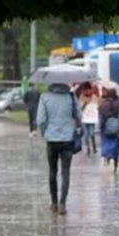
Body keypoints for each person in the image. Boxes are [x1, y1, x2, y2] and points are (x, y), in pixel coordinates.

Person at [37, 83, 82, 215]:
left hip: (51, 139)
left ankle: (54, 203)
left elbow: (40, 120)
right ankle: (63, 203)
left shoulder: (44, 97)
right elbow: (79, 115)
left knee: (52, 170)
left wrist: (45, 133)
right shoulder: (71, 97)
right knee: (66, 171)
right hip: (68, 139)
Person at [98, 87, 119, 172]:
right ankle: (113, 160)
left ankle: (104, 156)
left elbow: (100, 118)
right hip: (117, 128)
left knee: (106, 143)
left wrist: (101, 127)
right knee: (115, 144)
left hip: (105, 128)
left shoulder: (103, 104)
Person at [77, 82, 99, 156]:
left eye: (88, 90)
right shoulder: (81, 97)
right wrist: (85, 104)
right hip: (84, 118)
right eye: (84, 90)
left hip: (92, 118)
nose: (86, 91)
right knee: (86, 134)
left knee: (92, 133)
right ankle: (88, 149)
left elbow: (97, 106)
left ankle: (94, 146)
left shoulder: (94, 97)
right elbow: (80, 109)